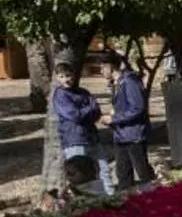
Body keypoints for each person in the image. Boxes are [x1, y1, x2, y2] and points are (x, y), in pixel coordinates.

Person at [52, 62, 114, 196]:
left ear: (73, 75)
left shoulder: (83, 92)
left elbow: (96, 111)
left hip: (91, 136)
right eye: (62, 76)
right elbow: (74, 115)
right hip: (74, 139)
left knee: (103, 169)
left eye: (68, 75)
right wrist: (88, 108)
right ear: (57, 77)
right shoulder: (60, 95)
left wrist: (88, 110)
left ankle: (109, 197)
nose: (66, 79)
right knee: (80, 175)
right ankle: (85, 203)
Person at [100, 52, 155, 190]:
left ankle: (154, 198)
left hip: (134, 135)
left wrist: (114, 118)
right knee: (123, 173)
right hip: (121, 135)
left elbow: (137, 108)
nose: (101, 71)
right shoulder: (118, 83)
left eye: (102, 68)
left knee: (143, 172)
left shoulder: (130, 81)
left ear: (110, 67)